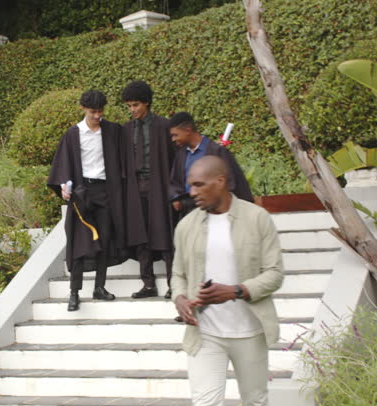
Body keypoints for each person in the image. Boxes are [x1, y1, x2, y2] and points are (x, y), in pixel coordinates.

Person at [171, 155, 283, 406]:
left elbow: (274, 273)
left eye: (199, 184)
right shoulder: (187, 225)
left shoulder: (257, 218)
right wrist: (180, 298)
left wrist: (235, 291)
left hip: (249, 331)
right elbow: (177, 274)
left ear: (220, 181)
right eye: (190, 184)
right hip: (205, 334)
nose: (192, 191)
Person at [47, 90, 127, 311]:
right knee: (80, 244)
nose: (98, 115)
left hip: (106, 191)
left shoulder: (112, 131)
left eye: (101, 111)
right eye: (93, 112)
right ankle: (74, 293)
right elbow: (63, 166)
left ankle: (99, 288)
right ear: (83, 109)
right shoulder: (73, 134)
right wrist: (64, 185)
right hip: (82, 194)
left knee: (104, 240)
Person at [120, 81, 175, 299]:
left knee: (166, 235)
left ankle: (175, 285)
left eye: (136, 105)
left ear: (147, 103)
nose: (132, 110)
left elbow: (175, 158)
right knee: (141, 237)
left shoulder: (164, 126)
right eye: (129, 106)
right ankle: (148, 284)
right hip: (136, 188)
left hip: (160, 187)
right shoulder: (126, 130)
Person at [168, 112, 253, 224]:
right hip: (190, 214)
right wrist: (176, 199)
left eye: (175, 135)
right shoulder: (181, 156)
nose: (173, 139)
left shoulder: (217, 152)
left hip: (217, 214)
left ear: (188, 130)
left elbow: (232, 184)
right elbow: (175, 182)